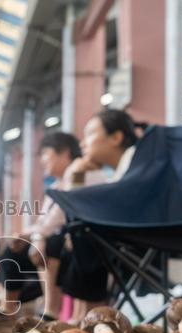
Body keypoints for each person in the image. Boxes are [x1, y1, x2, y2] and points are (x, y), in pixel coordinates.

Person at [58, 109, 140, 321]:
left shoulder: (136, 161)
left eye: (90, 134)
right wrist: (77, 173)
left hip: (142, 239)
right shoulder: (128, 167)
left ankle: (89, 315)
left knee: (82, 232)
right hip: (133, 237)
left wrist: (76, 173)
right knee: (79, 231)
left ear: (116, 137)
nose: (83, 143)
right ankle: (84, 314)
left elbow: (77, 203)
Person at [31, 131, 104, 319]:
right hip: (79, 233)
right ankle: (62, 312)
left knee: (65, 242)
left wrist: (40, 235)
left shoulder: (79, 172)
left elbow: (69, 206)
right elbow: (48, 218)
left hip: (92, 235)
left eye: (45, 153)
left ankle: (58, 312)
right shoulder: (64, 179)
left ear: (64, 152)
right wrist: (37, 235)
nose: (84, 145)